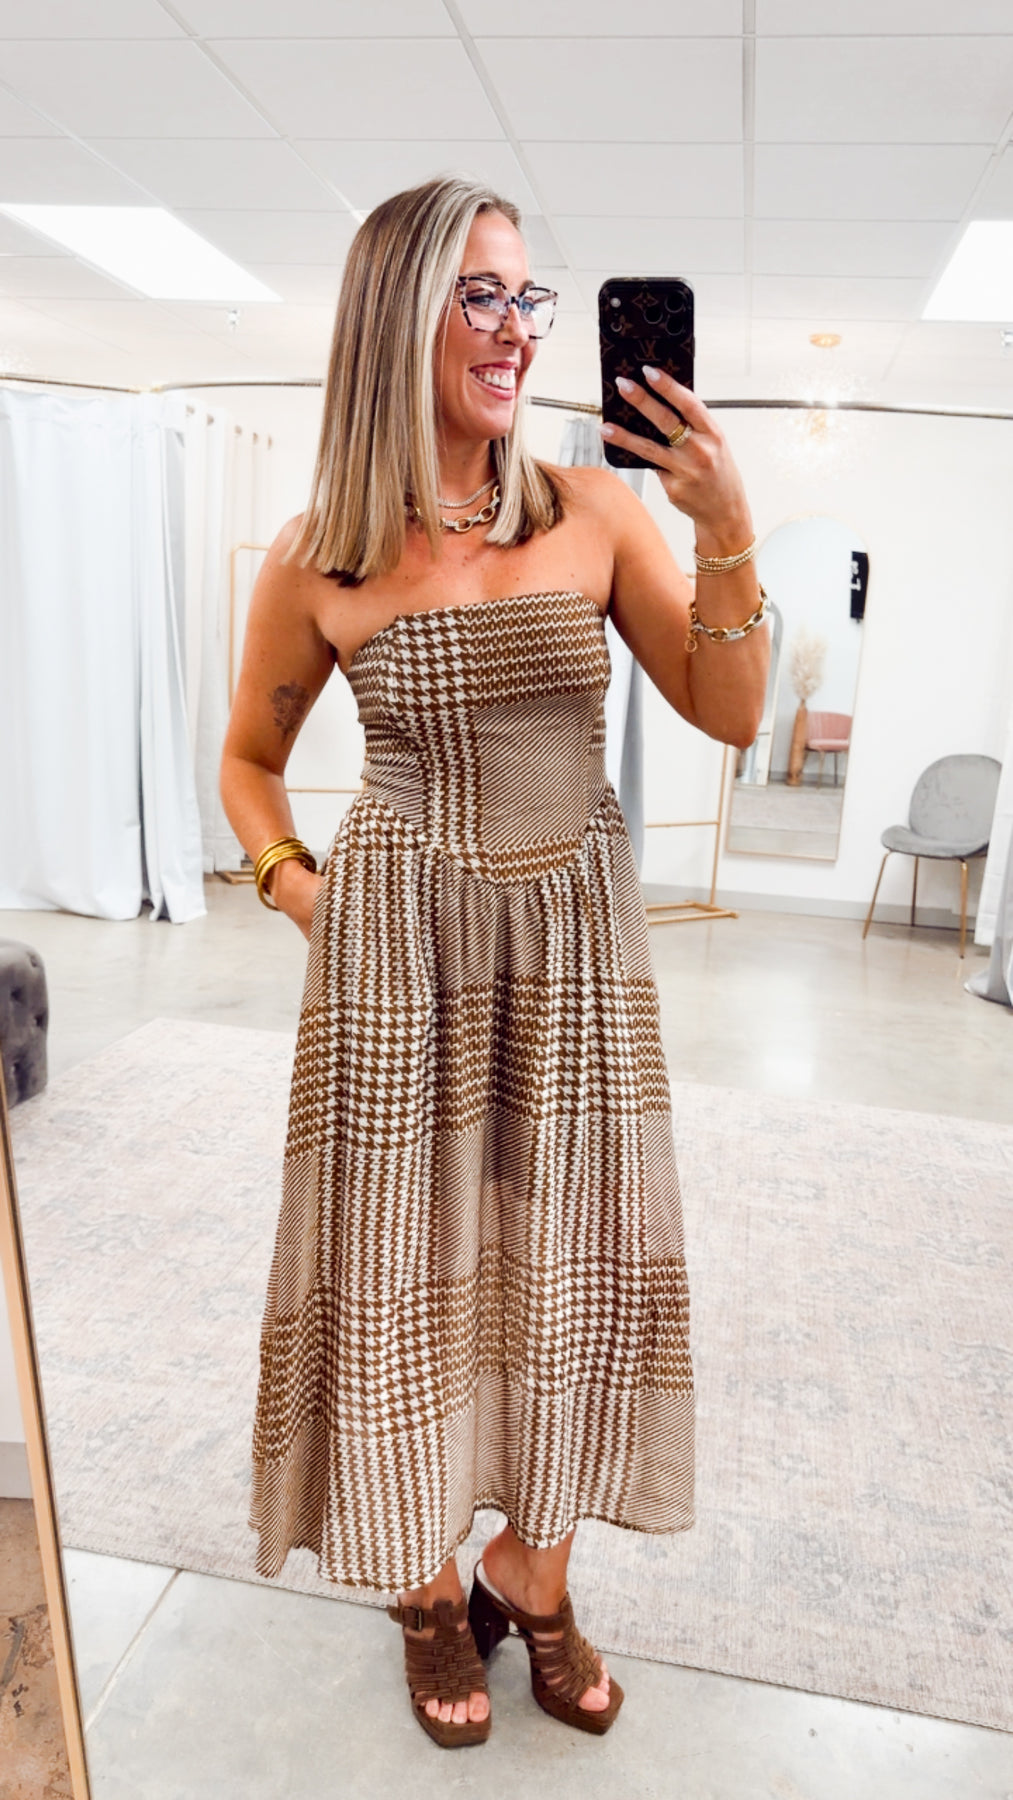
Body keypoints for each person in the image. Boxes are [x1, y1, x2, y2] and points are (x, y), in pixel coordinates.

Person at [220, 175, 768, 1751]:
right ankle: (421, 1584)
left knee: (572, 1268)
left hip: (575, 960)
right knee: (399, 1272)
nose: (517, 328)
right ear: (396, 318)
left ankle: (534, 1572)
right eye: (480, 294)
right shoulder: (318, 556)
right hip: (395, 962)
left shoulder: (591, 513)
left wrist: (723, 532)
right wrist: (300, 893)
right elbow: (249, 765)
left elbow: (728, 713)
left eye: (528, 296)